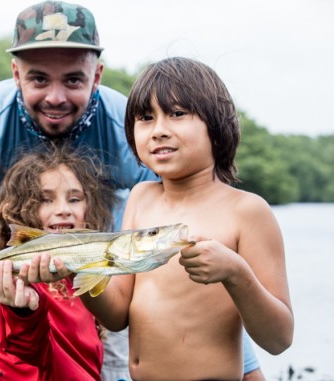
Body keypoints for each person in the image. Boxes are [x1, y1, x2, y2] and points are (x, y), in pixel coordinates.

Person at [0, 2, 264, 379]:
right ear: (15, 74)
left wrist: (248, 370)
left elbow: (190, 253)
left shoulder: (132, 129)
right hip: (15, 225)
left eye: (73, 80)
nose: (55, 97)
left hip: (107, 229)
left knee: (131, 303)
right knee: (12, 326)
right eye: (38, 79)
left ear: (96, 76)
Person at [27, 56, 294, 379]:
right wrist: (76, 269)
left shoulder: (247, 211)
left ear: (217, 123)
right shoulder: (141, 197)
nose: (158, 131)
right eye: (145, 118)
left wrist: (236, 273)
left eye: (177, 114)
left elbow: (279, 339)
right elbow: (118, 316)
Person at [0, 145, 116, 380]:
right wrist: (21, 312)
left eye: (74, 199)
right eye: (45, 200)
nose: (63, 210)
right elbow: (17, 356)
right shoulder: (12, 275)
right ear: (20, 212)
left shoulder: (90, 278)